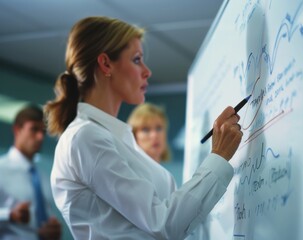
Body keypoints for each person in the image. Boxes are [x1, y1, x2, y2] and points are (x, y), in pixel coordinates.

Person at [44, 16, 242, 240]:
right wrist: (218, 156)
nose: (147, 71)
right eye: (137, 60)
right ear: (106, 64)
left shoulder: (112, 137)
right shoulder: (86, 137)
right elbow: (164, 224)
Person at [0, 105, 61, 240]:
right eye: (34, 129)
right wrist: (9, 215)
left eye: (43, 132)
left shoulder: (44, 178)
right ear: (17, 130)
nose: (40, 137)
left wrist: (51, 230)